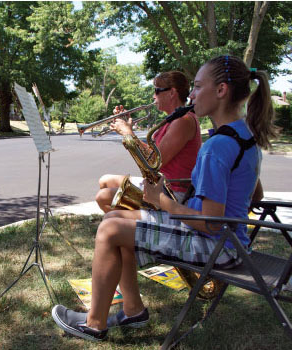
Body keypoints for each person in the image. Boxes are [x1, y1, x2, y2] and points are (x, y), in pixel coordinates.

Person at [51, 55, 275, 341]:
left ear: (221, 91)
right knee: (116, 218)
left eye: (196, 87)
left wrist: (161, 201)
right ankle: (132, 310)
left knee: (110, 227)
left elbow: (212, 223)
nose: (191, 95)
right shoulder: (245, 136)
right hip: (231, 243)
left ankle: (94, 324)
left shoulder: (217, 146)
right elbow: (256, 194)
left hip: (217, 247)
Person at [96, 71, 202, 212]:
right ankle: (126, 221)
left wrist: (129, 133)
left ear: (172, 93)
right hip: (160, 184)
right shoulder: (171, 120)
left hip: (173, 193)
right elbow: (152, 154)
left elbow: (154, 163)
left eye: (157, 91)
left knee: (103, 197)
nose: (153, 96)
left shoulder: (183, 121)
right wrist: (128, 128)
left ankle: (125, 224)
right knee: (105, 180)